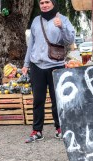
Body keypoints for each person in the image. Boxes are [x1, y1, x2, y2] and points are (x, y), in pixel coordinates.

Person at [22, 0, 75, 143]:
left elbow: (70, 40)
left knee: (57, 100)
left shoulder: (62, 19)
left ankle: (60, 128)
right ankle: (37, 131)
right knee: (38, 100)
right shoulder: (35, 21)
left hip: (56, 66)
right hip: (37, 66)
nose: (44, 5)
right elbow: (31, 44)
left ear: (53, 3)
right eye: (41, 2)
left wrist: (62, 26)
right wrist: (26, 64)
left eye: (47, 2)